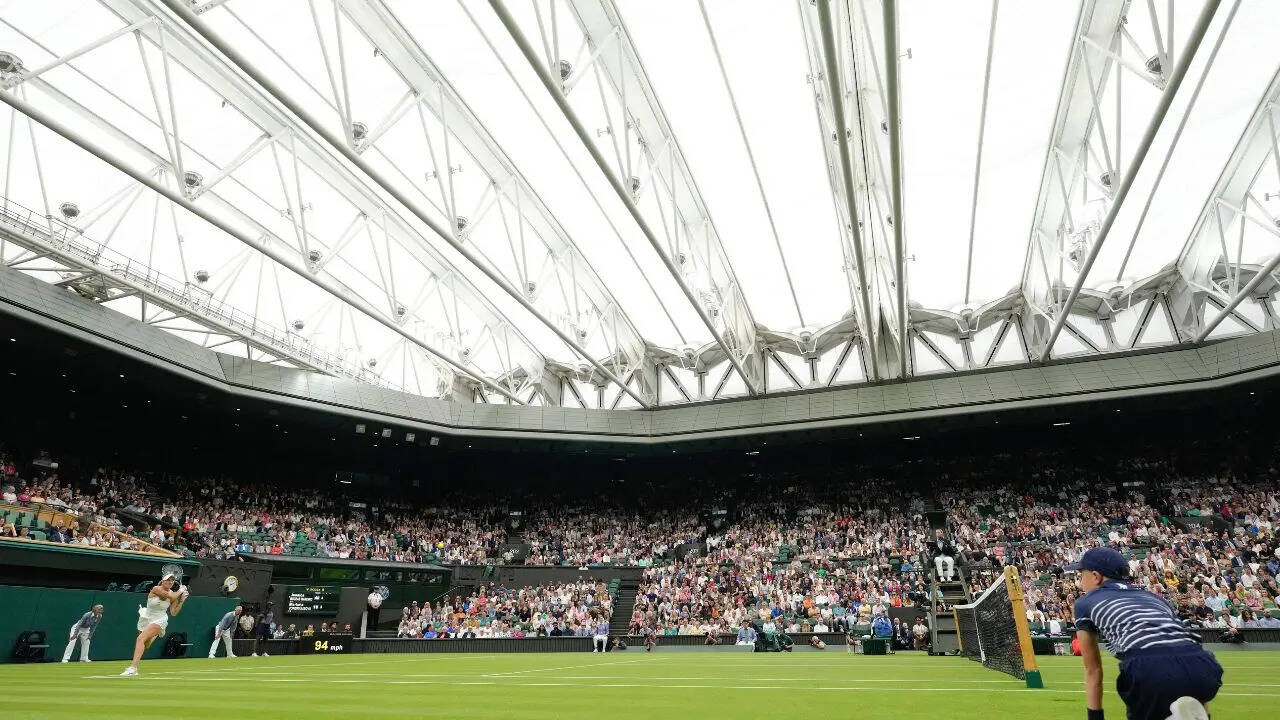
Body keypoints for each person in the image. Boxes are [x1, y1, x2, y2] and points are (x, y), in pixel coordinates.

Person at [1068, 547, 1223, 720]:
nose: (1080, 581)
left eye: (1081, 575)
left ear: (1096, 577)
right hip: (1202, 663)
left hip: (1148, 665)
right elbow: (1183, 642)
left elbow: (1093, 670)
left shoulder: (1084, 603)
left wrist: (1095, 717)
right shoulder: (1155, 598)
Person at [120, 572, 188, 676]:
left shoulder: (174, 595)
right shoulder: (156, 589)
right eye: (168, 580)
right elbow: (168, 596)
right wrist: (180, 590)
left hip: (160, 619)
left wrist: (182, 601)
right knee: (146, 645)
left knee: (140, 639)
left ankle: (133, 668)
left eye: (172, 580)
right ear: (163, 581)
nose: (170, 582)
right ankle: (154, 635)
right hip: (146, 618)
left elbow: (174, 613)